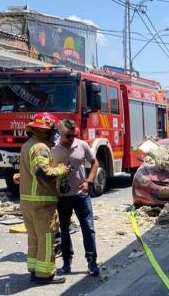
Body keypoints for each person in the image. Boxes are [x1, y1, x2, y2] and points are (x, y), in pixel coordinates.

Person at [19, 112, 69, 285]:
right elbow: (43, 172)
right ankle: (45, 274)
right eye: (53, 130)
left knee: (34, 238)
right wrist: (61, 170)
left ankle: (34, 270)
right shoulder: (41, 147)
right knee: (47, 239)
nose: (55, 134)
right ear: (46, 130)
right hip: (42, 201)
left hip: (28, 201)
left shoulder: (27, 145)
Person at [52, 119, 100, 276]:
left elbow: (94, 163)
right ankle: (67, 261)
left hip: (81, 195)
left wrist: (89, 181)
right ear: (60, 133)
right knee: (64, 230)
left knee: (88, 228)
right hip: (62, 197)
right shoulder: (52, 149)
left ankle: (92, 262)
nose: (71, 138)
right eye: (68, 135)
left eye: (74, 135)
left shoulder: (82, 145)